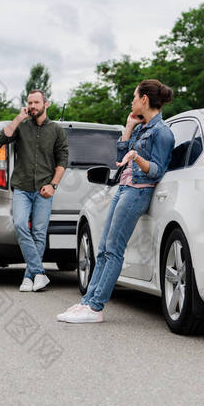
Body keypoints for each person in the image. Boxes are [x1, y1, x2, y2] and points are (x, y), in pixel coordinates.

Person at [57, 79, 175, 323]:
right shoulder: (142, 128)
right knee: (103, 248)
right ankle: (87, 302)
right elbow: (120, 160)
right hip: (123, 188)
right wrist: (129, 129)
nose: (131, 101)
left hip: (137, 192)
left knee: (113, 250)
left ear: (144, 99)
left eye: (134, 97)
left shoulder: (162, 133)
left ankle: (96, 308)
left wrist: (138, 158)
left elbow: (157, 171)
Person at [0, 89, 69, 292]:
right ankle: (39, 272)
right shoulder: (22, 126)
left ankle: (29, 277)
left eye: (36, 102)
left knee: (39, 232)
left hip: (44, 188)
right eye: (30, 102)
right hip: (22, 186)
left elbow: (63, 160)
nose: (32, 106)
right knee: (20, 224)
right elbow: (2, 138)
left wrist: (53, 185)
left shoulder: (56, 130)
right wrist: (18, 118)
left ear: (46, 104)